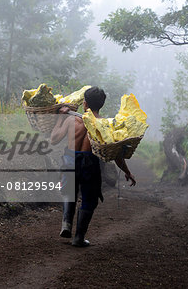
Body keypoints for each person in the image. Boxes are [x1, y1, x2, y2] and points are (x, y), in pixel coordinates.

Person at [51, 86, 136, 247]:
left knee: (69, 192)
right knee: (89, 199)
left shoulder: (71, 120)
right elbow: (116, 153)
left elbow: (54, 139)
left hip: (70, 159)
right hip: (90, 164)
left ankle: (66, 224)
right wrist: (127, 171)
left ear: (84, 103)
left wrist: (60, 119)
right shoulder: (104, 125)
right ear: (101, 105)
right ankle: (78, 238)